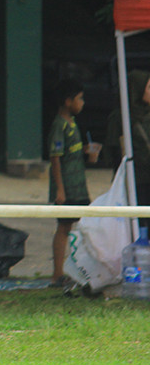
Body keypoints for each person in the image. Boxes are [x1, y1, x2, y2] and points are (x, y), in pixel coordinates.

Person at [48, 79, 99, 288]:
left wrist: (87, 152)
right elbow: (56, 158)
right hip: (67, 187)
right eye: (80, 99)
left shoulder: (73, 123)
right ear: (68, 101)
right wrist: (60, 189)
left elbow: (71, 151)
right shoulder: (59, 126)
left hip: (79, 185)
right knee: (64, 226)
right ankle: (57, 273)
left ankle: (80, 269)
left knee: (82, 224)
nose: (83, 103)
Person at [105, 70, 150, 228]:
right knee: (134, 224)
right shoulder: (120, 117)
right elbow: (113, 151)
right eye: (149, 87)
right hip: (133, 181)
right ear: (136, 90)